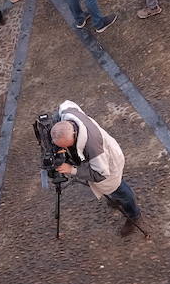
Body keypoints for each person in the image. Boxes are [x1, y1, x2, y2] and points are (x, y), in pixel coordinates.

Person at [50, 100, 143, 234]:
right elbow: (64, 105)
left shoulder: (93, 149)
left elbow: (100, 174)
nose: (63, 148)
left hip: (108, 164)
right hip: (104, 153)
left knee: (119, 189)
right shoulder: (67, 114)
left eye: (65, 145)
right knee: (114, 190)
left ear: (74, 136)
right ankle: (116, 198)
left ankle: (134, 214)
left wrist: (72, 170)